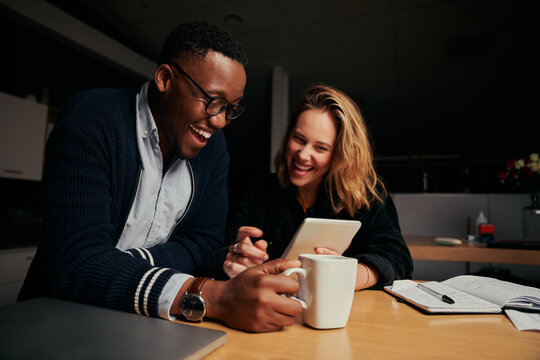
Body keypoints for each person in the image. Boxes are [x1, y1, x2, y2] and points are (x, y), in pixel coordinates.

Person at [18, 21, 303, 333]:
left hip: (143, 324)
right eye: (213, 101)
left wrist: (229, 257)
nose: (220, 121)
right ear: (165, 78)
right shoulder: (91, 117)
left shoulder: (213, 147)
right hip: (54, 322)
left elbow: (204, 242)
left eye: (230, 108)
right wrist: (209, 295)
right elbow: (76, 263)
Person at [219, 84, 413, 289]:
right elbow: (217, 252)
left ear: (340, 155)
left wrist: (352, 274)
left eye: (320, 148)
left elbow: (398, 258)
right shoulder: (260, 189)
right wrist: (235, 258)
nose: (303, 155)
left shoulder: (367, 196)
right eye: (298, 139)